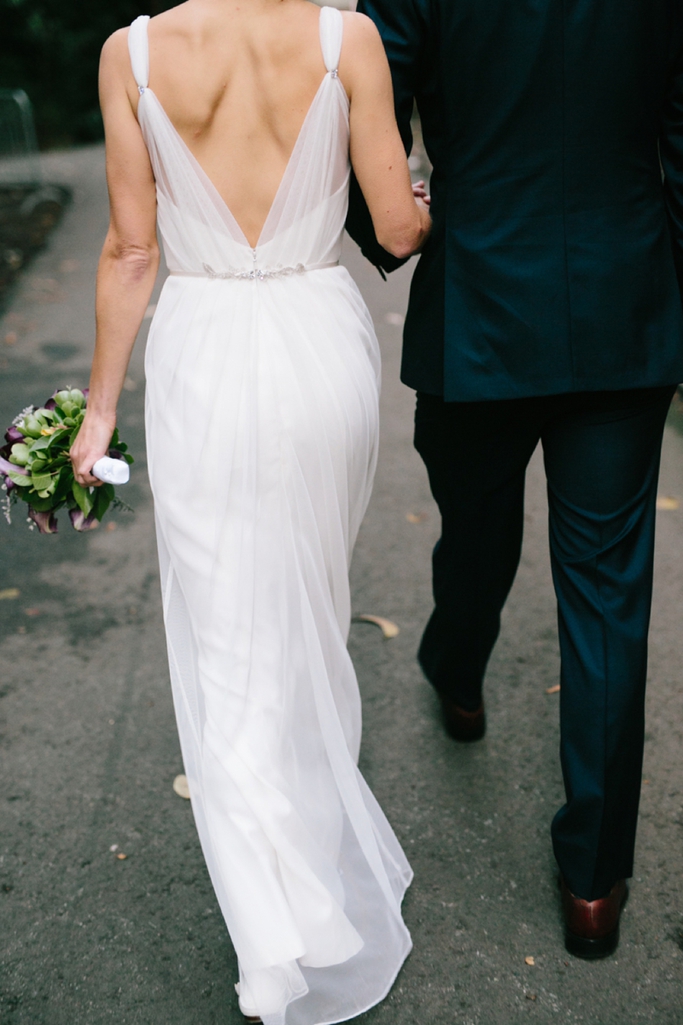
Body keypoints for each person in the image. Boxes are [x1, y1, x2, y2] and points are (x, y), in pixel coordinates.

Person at [70, 2, 430, 1022]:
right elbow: (395, 225)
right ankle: (306, 882)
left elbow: (132, 251)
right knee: (308, 611)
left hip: (202, 351)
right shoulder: (343, 39)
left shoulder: (130, 55)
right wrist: (424, 204)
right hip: (321, 343)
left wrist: (97, 413)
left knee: (229, 639)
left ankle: (278, 924)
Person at [347, 0, 683, 961]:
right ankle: (593, 880)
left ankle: (457, 672)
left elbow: (358, 103)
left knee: (475, 530)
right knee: (609, 593)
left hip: (478, 302)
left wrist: (384, 234)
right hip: (624, 304)